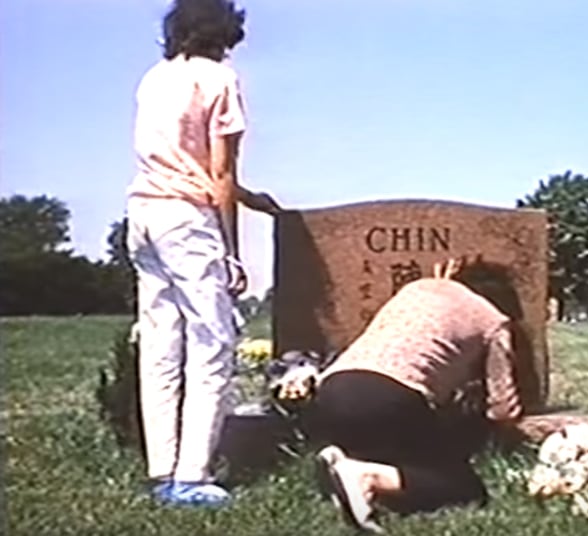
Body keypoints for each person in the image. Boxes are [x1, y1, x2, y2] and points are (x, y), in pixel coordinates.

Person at [125, 0, 269, 507]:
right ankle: (193, 475)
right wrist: (232, 250)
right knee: (212, 344)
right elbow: (219, 175)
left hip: (143, 212)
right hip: (188, 221)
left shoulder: (154, 78)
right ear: (226, 31)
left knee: (161, 345)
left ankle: (161, 470)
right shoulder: (220, 80)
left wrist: (251, 198)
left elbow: (180, 160)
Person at [310, 258, 526, 532]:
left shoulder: (417, 289)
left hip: (331, 389)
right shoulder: (493, 320)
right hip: (391, 397)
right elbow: (503, 410)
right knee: (463, 486)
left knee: (400, 450)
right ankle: (366, 476)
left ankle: (344, 459)